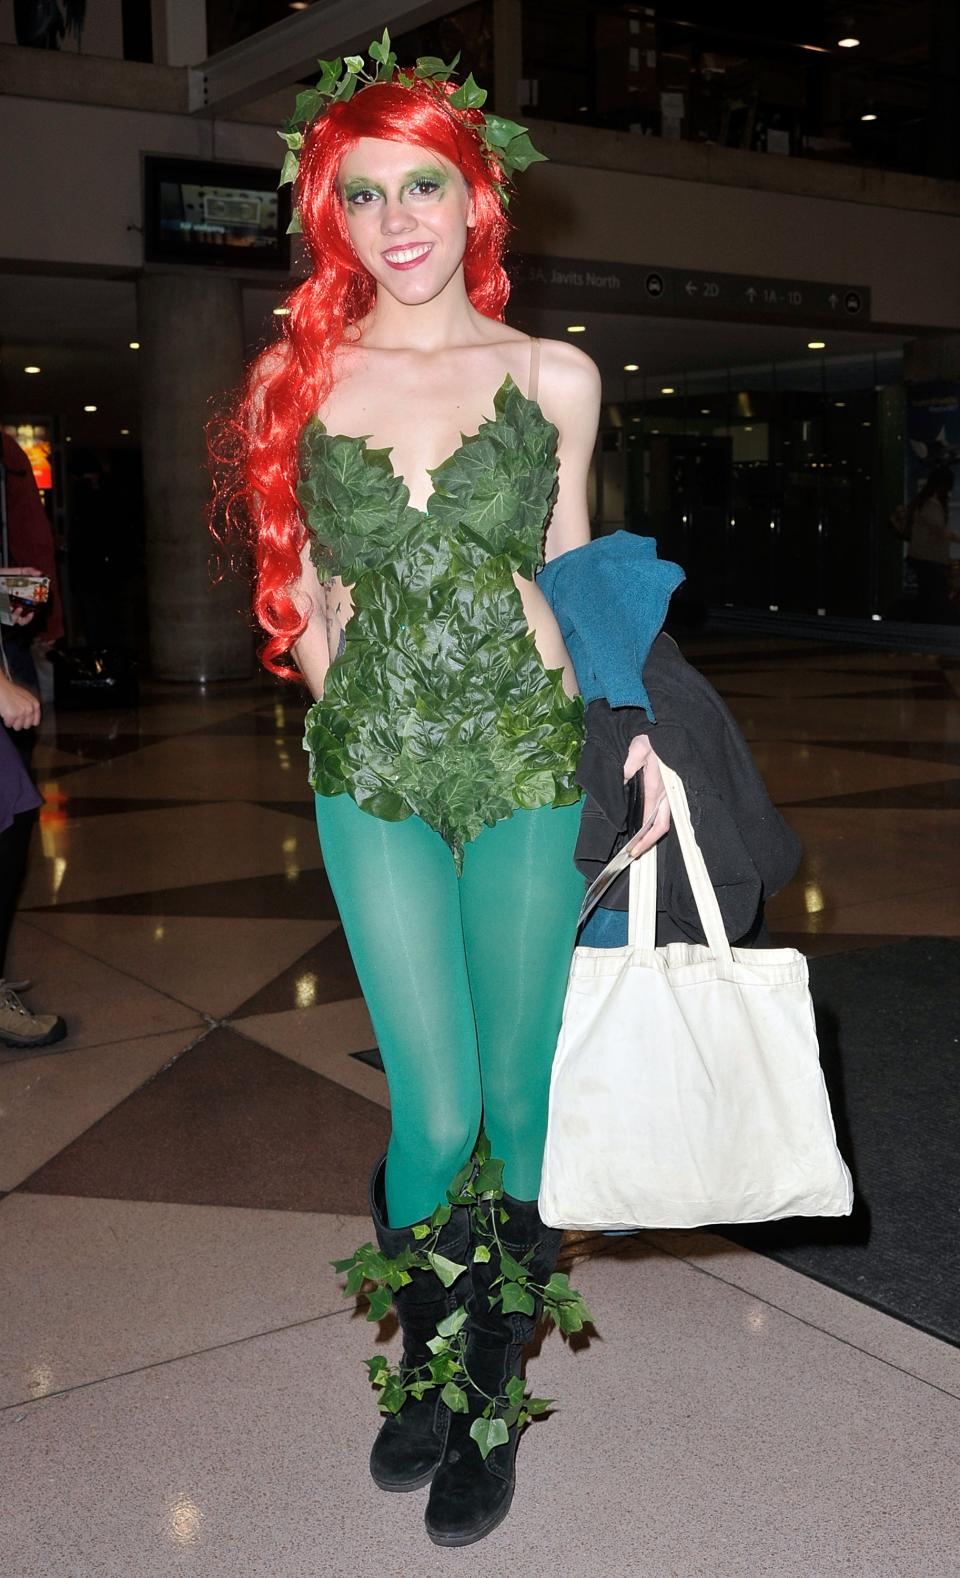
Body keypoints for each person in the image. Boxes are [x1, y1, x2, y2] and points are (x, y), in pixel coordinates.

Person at [211, 42, 672, 1548]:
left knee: (518, 1105)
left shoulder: (554, 374)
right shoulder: (303, 377)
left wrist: (639, 737)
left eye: (423, 182)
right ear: (328, 217)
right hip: (380, 773)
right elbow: (305, 594)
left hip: (531, 760)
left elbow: (581, 562)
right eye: (362, 193)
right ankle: (422, 1340)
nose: (396, 216)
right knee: (433, 1105)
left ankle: (481, 1389)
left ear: (476, 192)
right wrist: (343, 697)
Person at [907, 465, 960, 622]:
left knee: (928, 597)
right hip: (928, 558)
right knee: (935, 597)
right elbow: (941, 531)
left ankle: (916, 629)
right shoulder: (931, 504)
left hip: (925, 557)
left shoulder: (926, 502)